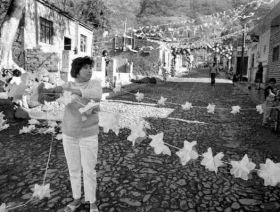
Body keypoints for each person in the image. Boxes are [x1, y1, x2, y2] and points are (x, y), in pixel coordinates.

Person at [41, 57, 102, 212]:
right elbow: (55, 95)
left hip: (88, 134)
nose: (90, 70)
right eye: (86, 67)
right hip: (69, 134)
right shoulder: (67, 85)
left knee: (89, 170)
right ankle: (76, 199)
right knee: (73, 169)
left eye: (90, 67)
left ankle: (92, 201)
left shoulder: (94, 84)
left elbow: (97, 95)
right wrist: (49, 94)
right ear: (77, 70)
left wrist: (75, 91)